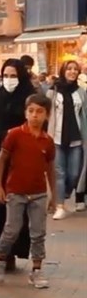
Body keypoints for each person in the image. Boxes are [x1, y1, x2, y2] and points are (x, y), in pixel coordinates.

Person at [0, 94, 56, 289]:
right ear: (25, 112)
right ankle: (0, 258)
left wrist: (53, 194)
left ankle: (36, 269)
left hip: (38, 193)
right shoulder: (15, 135)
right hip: (16, 191)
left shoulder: (47, 141)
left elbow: (51, 168)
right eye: (31, 111)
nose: (35, 115)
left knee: (38, 232)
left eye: (39, 112)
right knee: (12, 229)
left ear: (47, 115)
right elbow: (1, 159)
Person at [0, 58, 37, 270]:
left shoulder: (29, 100)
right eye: (6, 76)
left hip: (22, 164)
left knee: (19, 211)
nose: (9, 80)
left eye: (13, 76)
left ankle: (13, 251)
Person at [47, 60, 87, 219]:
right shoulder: (53, 91)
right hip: (56, 138)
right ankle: (60, 205)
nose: (72, 72)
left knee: (75, 173)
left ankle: (65, 192)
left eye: (75, 69)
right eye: (69, 69)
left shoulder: (81, 92)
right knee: (60, 173)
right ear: (63, 71)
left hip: (76, 139)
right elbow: (47, 114)